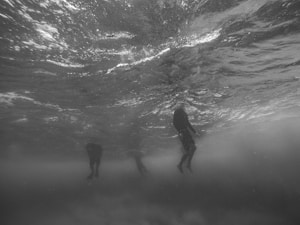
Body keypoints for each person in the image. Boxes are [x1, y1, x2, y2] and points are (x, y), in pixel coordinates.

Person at [173, 103, 197, 173]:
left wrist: (195, 132)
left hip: (186, 132)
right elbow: (174, 123)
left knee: (191, 149)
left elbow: (188, 124)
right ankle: (185, 165)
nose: (183, 107)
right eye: (182, 106)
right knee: (191, 149)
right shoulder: (177, 112)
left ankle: (182, 165)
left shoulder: (184, 114)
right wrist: (180, 132)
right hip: (182, 132)